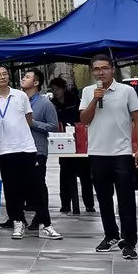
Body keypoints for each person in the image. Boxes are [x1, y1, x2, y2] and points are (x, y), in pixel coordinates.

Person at [80, 54, 138, 260]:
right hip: (98, 153)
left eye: (104, 68)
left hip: (121, 153)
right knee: (104, 198)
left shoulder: (126, 91)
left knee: (126, 199)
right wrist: (95, 99)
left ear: (112, 69)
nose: (101, 72)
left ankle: (129, 241)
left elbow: (137, 119)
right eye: (96, 69)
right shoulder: (88, 91)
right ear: (92, 71)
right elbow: (84, 119)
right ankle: (110, 235)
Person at [0, 65, 39, 240]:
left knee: (32, 186)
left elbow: (28, 120)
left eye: (4, 74)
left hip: (26, 147)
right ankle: (17, 220)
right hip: (5, 149)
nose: (2, 77)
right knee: (11, 188)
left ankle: (43, 221)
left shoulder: (20, 95)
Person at [23, 69, 64, 239]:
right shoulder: (19, 100)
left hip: (38, 149)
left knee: (38, 185)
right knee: (24, 186)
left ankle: (42, 219)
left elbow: (54, 126)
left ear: (36, 82)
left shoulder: (45, 103)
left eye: (27, 77)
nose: (23, 79)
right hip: (20, 148)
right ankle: (21, 218)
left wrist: (33, 123)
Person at [49, 77, 95, 214]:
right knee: (65, 174)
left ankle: (89, 203)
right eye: (53, 89)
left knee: (85, 174)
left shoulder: (74, 101)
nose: (55, 92)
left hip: (79, 139)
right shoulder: (53, 104)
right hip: (63, 141)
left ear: (63, 88)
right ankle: (65, 203)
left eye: (57, 89)